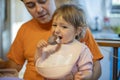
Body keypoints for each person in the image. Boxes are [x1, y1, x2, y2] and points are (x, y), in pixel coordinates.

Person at [0, 0, 103, 80]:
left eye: (43, 1)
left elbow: (96, 67)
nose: (39, 9)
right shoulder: (24, 29)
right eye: (30, 5)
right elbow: (14, 66)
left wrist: (85, 77)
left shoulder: (75, 28)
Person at [35, 4, 93, 80]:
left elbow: (87, 71)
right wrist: (38, 50)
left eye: (64, 27)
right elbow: (39, 62)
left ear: (77, 31)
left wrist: (84, 76)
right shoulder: (50, 46)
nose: (56, 30)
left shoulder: (81, 49)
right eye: (54, 25)